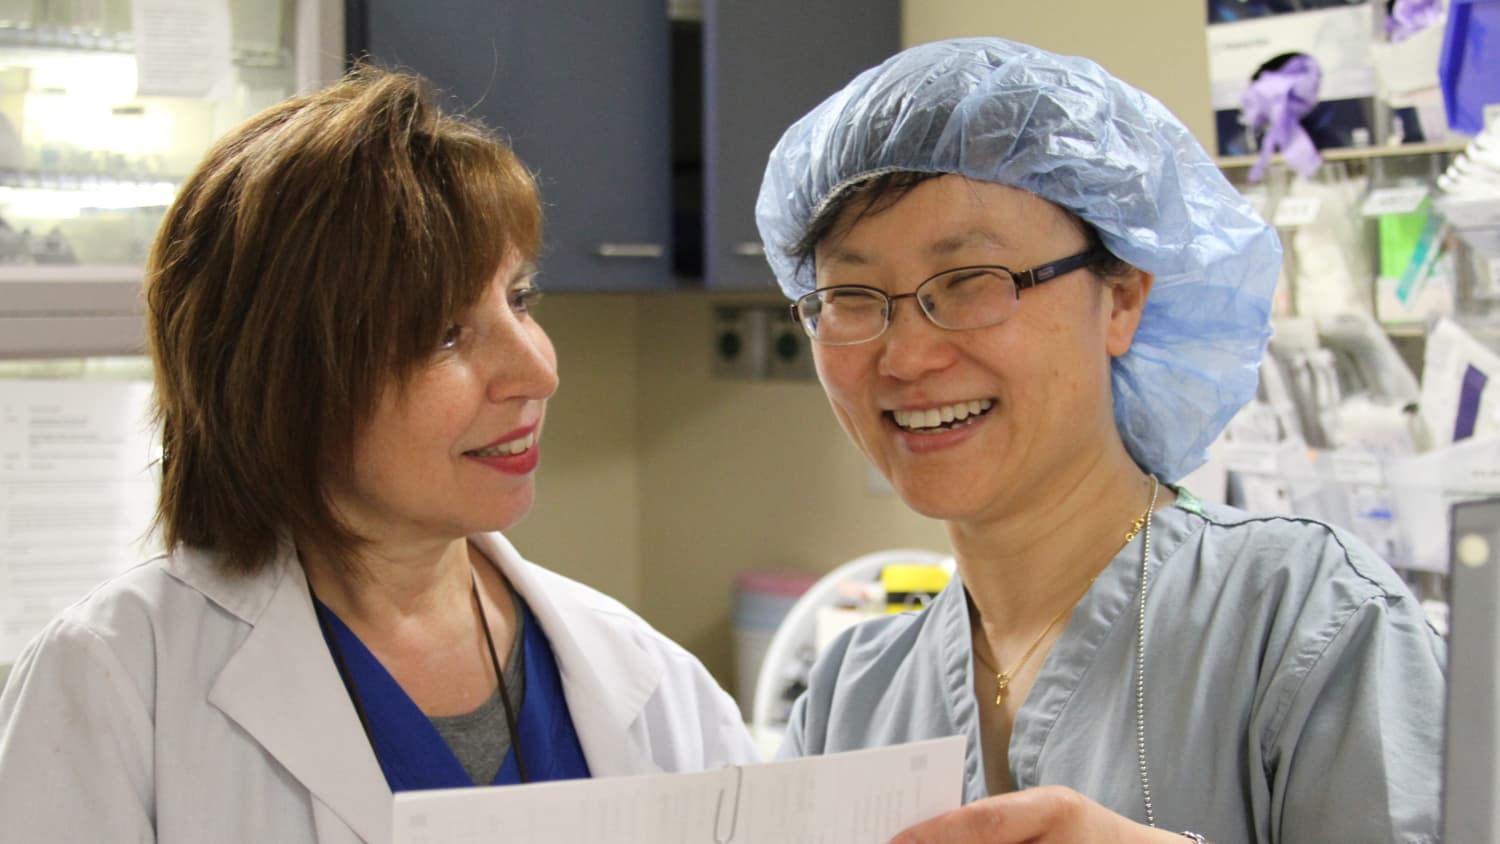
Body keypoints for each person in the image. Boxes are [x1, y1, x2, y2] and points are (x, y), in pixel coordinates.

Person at [0, 66, 755, 843]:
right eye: (445, 335)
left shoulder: (639, 672)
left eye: (520, 299)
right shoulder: (115, 680)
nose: (538, 371)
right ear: (284, 379)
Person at [755, 38, 1443, 843]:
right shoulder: (854, 696)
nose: (905, 357)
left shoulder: (1305, 621)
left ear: (1121, 301)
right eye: (850, 296)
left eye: (972, 280)